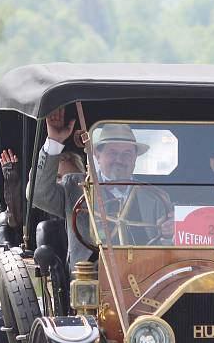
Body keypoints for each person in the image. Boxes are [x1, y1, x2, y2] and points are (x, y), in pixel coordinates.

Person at [32, 107, 173, 267]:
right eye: (112, 152)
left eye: (127, 154)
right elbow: (38, 195)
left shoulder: (155, 197)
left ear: (135, 158)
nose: (119, 160)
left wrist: (169, 234)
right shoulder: (76, 187)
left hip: (146, 275)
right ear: (98, 156)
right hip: (90, 280)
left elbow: (168, 245)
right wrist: (54, 142)